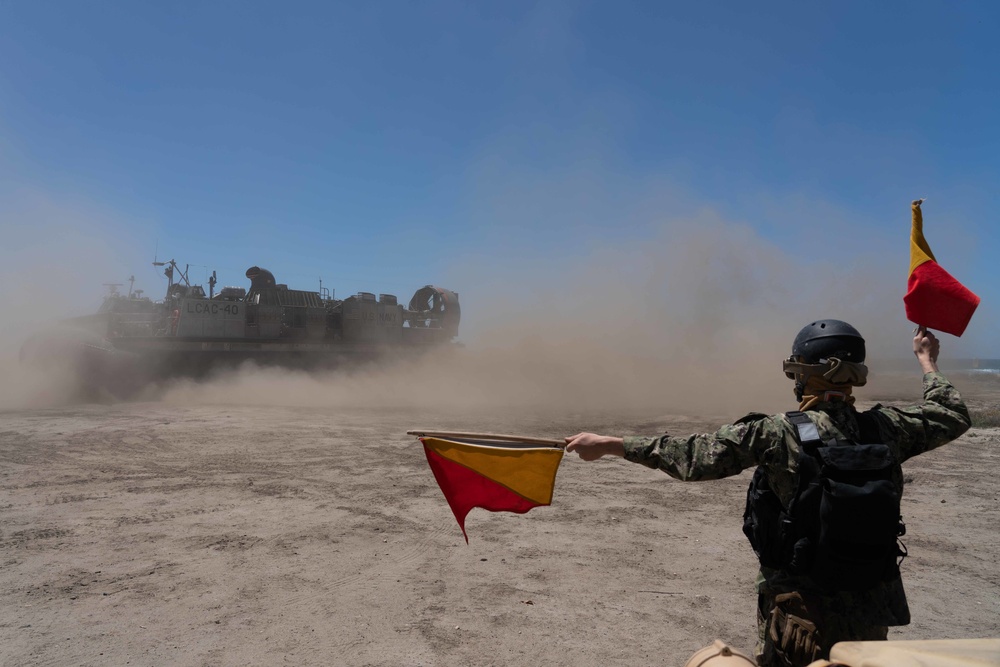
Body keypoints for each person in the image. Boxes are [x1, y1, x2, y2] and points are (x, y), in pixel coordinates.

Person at [564, 321, 971, 667]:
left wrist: (612, 444)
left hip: (797, 606)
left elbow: (694, 456)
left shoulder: (777, 431)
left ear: (804, 373)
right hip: (869, 604)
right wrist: (927, 361)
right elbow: (950, 414)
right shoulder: (886, 428)